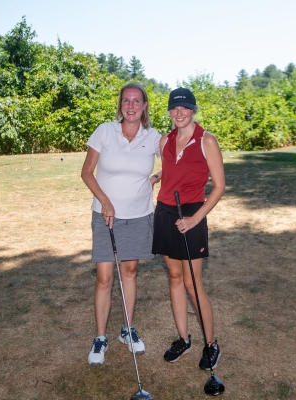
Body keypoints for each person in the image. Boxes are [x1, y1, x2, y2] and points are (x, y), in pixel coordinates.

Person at [81, 82, 162, 366]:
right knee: (104, 277)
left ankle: (127, 330)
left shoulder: (153, 137)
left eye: (136, 101)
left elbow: (176, 162)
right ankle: (100, 337)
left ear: (144, 106)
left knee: (129, 271)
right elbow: (87, 172)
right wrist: (105, 201)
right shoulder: (105, 131)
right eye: (126, 101)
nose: (131, 106)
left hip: (139, 214)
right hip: (106, 215)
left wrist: (154, 178)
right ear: (120, 105)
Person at [152, 87, 226, 370]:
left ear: (193, 110)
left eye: (185, 108)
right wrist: (158, 176)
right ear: (170, 111)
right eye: (174, 108)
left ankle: (211, 344)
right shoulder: (164, 141)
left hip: (191, 213)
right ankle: (184, 338)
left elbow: (219, 187)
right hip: (165, 212)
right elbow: (172, 169)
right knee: (173, 276)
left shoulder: (207, 140)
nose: (179, 113)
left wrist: (196, 220)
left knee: (192, 285)